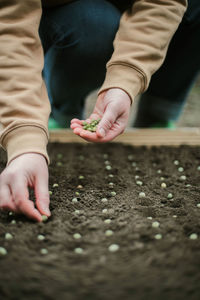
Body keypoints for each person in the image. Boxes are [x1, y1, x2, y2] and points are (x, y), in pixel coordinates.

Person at [0, 0, 187, 221]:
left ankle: (157, 117)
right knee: (93, 25)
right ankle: (61, 110)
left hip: (103, 10)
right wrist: (25, 141)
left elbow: (163, 3)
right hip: (49, 16)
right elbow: (10, 26)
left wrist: (122, 84)